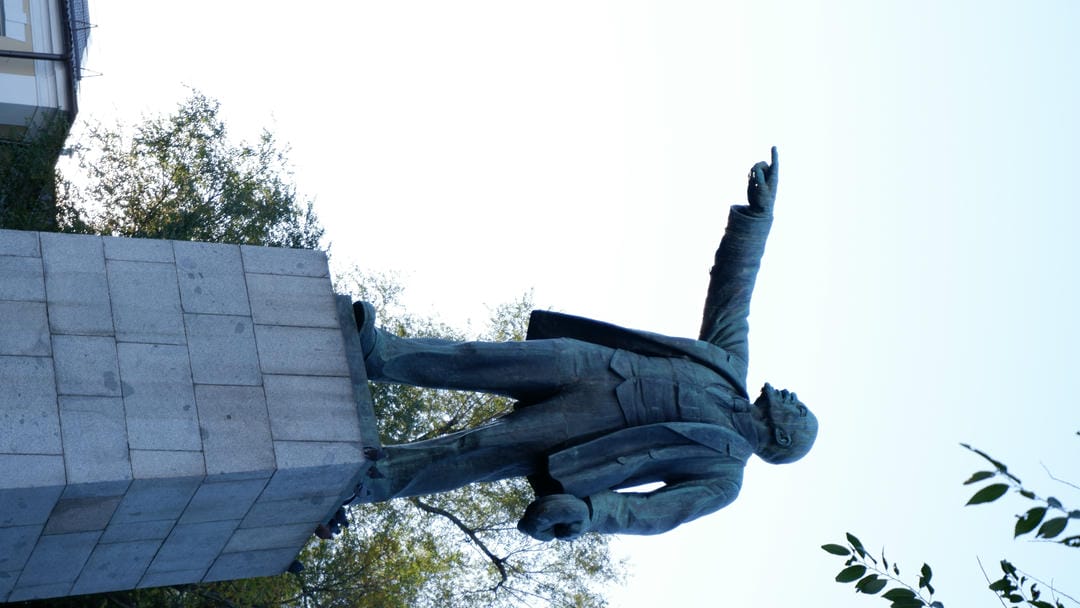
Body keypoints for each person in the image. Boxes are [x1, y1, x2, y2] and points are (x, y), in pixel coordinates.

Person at [353, 147, 817, 541]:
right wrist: (758, 219)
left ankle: (375, 478)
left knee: (476, 449)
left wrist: (591, 514)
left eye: (797, 411)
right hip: (593, 365)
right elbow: (734, 292)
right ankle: (382, 353)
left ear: (781, 437)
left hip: (585, 430)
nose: (793, 398)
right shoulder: (729, 365)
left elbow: (653, 513)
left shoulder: (724, 479)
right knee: (478, 359)